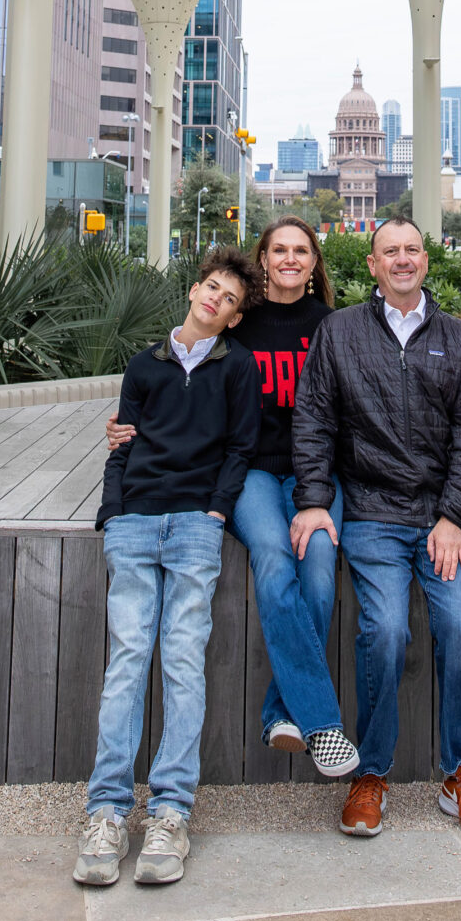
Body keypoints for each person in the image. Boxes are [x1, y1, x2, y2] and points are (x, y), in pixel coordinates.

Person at [105, 216, 358, 777]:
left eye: (301, 251)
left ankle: (280, 711)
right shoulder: (238, 323)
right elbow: (182, 375)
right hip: (255, 472)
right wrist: (130, 425)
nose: (290, 258)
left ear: (315, 264)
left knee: (318, 563)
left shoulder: (335, 326)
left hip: (318, 476)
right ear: (264, 260)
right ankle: (323, 724)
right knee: (272, 556)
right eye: (279, 250)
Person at [291, 215, 461, 840]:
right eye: (391, 251)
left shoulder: (458, 340)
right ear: (372, 265)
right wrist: (312, 499)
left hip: (443, 515)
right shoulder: (338, 332)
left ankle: (460, 771)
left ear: (426, 261)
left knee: (460, 632)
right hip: (373, 513)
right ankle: (373, 774)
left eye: (413, 249)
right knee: (384, 631)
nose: (403, 259)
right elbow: (314, 424)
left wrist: (453, 515)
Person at [74, 247, 261, 890]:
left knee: (181, 657)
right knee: (128, 657)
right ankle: (105, 810)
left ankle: (171, 812)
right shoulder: (145, 364)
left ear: (235, 318)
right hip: (133, 521)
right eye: (211, 288)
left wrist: (215, 512)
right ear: (193, 289)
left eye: (229, 299)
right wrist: (112, 508)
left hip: (194, 528)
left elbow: (240, 447)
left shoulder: (238, 368)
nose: (216, 300)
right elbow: (124, 438)